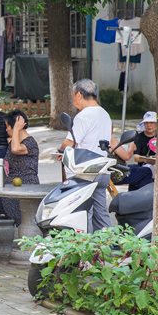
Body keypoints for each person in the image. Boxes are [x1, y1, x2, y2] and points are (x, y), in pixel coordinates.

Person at [58, 79, 119, 232]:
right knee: (101, 214)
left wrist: (60, 150)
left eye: (73, 96)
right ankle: (106, 242)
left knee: (84, 214)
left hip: (85, 172)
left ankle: (86, 245)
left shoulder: (83, 116)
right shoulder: (104, 114)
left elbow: (69, 143)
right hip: (102, 171)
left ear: (79, 95)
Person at [0, 109, 39, 226]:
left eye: (8, 126)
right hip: (12, 183)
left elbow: (16, 149)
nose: (6, 129)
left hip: (26, 183)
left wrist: (16, 129)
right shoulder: (12, 142)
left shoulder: (30, 142)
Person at [114, 111, 157, 191]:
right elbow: (136, 157)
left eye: (152, 122)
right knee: (141, 169)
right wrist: (147, 159)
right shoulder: (139, 138)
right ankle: (140, 195)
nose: (149, 125)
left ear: (156, 124)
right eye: (146, 122)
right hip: (145, 165)